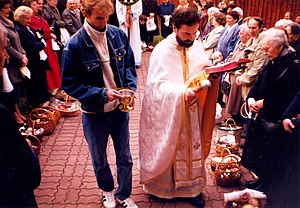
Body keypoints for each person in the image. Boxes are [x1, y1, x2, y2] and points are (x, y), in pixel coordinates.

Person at [139, 8, 219, 208]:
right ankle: (162, 190)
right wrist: (181, 93)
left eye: (194, 33)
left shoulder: (196, 45)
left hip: (193, 111)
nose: (191, 38)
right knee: (171, 146)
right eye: (186, 33)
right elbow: (156, 86)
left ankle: (192, 191)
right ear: (174, 27)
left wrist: (213, 72)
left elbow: (202, 69)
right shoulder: (162, 50)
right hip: (170, 111)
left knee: (192, 147)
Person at [60, 0, 138, 207]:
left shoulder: (117, 34)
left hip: (120, 110)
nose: (104, 23)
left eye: (107, 17)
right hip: (94, 113)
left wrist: (130, 88)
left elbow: (129, 65)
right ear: (85, 14)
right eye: (99, 18)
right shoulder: (74, 45)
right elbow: (69, 84)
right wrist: (102, 93)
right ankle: (107, 191)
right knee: (99, 158)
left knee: (125, 156)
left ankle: (124, 194)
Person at [241, 28, 300, 193]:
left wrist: (265, 103)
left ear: (280, 46)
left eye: (267, 48)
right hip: (263, 114)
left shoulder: (294, 65)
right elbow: (260, 81)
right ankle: (261, 181)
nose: (263, 51)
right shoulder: (272, 58)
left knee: (272, 154)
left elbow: (290, 95)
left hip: (277, 117)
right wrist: (251, 98)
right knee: (261, 150)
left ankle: (267, 186)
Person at [0, 29, 41, 208]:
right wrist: (29, 149)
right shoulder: (2, 114)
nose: (6, 56)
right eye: (2, 49)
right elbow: (26, 173)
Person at [14, 5, 50, 108]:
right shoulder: (20, 30)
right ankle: (36, 105)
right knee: (34, 83)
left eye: (30, 17)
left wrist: (40, 41)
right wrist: (42, 44)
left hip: (38, 59)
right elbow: (31, 46)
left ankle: (43, 100)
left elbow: (37, 38)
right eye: (26, 18)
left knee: (41, 79)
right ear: (20, 18)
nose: (29, 20)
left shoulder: (28, 28)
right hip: (31, 61)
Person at [0, 0, 28, 124]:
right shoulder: (1, 25)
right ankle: (15, 113)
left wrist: (23, 54)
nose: (9, 10)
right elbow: (7, 46)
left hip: (16, 59)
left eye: (9, 7)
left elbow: (18, 42)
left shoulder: (9, 22)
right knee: (10, 89)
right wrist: (20, 56)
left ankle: (17, 112)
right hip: (9, 62)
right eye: (6, 8)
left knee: (15, 87)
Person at [24, 0, 62, 93]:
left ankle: (57, 88)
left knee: (54, 67)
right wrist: (48, 34)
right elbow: (39, 31)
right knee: (49, 68)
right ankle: (52, 89)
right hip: (44, 45)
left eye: (40, 4)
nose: (38, 6)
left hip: (49, 44)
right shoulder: (31, 18)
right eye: (35, 4)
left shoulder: (39, 16)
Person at [236, 16, 267, 102]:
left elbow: (258, 67)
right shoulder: (252, 40)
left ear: (261, 28)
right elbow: (243, 59)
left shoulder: (262, 43)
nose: (251, 30)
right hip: (246, 78)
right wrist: (239, 74)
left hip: (253, 82)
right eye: (249, 27)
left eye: (254, 28)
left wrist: (243, 78)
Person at [225, 23, 251, 123]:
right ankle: (232, 116)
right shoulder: (240, 43)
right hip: (232, 73)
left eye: (241, 33)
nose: (239, 35)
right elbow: (233, 54)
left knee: (236, 99)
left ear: (248, 35)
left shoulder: (248, 46)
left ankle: (237, 118)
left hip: (239, 75)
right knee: (230, 98)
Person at [116, 0, 142, 67]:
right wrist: (124, 21)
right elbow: (118, 10)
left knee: (134, 40)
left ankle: (135, 60)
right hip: (124, 24)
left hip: (134, 21)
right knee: (124, 40)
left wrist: (132, 13)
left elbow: (140, 9)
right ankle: (124, 60)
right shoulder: (119, 0)